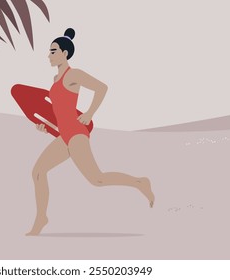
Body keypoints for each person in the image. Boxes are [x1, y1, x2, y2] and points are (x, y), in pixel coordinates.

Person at [26, 28, 155, 236]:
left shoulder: (73, 75)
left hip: (76, 133)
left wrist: (89, 113)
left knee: (97, 179)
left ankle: (139, 182)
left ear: (64, 53)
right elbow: (58, 112)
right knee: (38, 172)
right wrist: (45, 127)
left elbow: (102, 88)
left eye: (53, 51)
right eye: (49, 51)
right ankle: (42, 218)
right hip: (63, 134)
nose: (48, 55)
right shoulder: (55, 79)